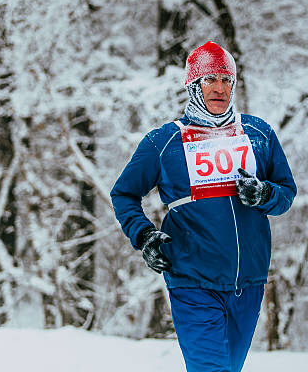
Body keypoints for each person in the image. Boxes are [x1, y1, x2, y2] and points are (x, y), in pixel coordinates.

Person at [110, 41, 297, 372]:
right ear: (193, 86)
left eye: (226, 80)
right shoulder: (165, 141)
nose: (219, 89)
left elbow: (286, 192)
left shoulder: (258, 134)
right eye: (210, 80)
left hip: (248, 283)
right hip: (192, 280)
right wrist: (144, 235)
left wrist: (265, 193)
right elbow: (124, 193)